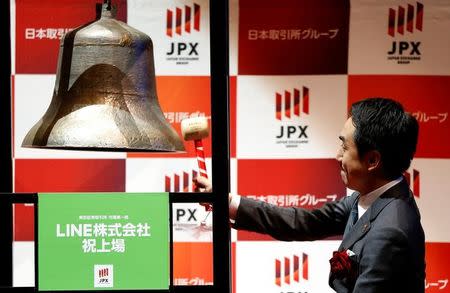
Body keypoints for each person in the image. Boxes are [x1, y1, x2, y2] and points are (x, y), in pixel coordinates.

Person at [194, 97, 425, 293]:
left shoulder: (390, 233)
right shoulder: (375, 196)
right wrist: (228, 202)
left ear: (372, 160)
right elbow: (305, 222)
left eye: (345, 147)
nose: (337, 156)